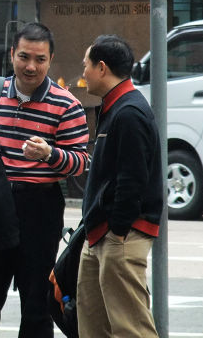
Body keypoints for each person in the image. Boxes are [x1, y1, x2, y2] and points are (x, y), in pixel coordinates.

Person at [0, 22, 90, 338]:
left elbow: (81, 163)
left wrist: (49, 154)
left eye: (40, 59)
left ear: (50, 59)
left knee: (37, 310)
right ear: (12, 54)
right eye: (24, 57)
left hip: (40, 207)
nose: (31, 66)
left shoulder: (66, 105)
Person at [78, 34, 162, 338]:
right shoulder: (115, 106)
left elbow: (133, 180)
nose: (82, 73)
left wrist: (119, 230)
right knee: (91, 323)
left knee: (130, 327)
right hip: (101, 233)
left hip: (119, 235)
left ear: (101, 68)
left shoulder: (129, 112)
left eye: (85, 65)